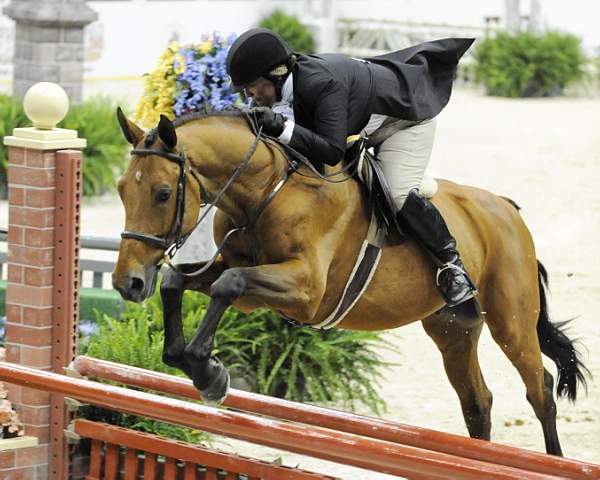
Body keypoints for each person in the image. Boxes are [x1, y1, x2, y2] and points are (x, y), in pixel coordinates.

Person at [226, 28, 477, 307]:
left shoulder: (320, 83)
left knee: (396, 193)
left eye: (250, 84)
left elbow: (331, 152)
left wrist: (281, 126)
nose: (248, 94)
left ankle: (452, 266)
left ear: (276, 74)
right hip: (359, 125)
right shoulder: (285, 85)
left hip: (403, 122)